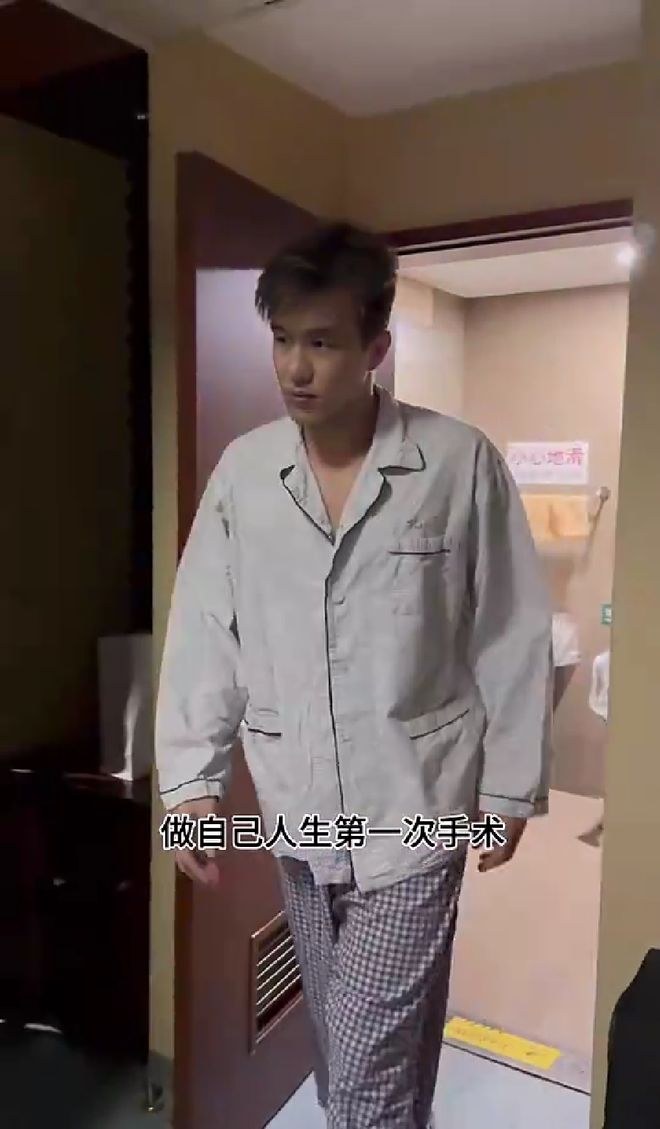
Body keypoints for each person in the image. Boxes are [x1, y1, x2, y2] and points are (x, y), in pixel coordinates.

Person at [155, 222, 553, 1129]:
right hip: (300, 809)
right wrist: (191, 781)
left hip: (418, 808)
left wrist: (509, 787)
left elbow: (511, 630)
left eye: (324, 342)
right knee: (353, 1052)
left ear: (376, 348)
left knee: (365, 1055)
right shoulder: (245, 474)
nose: (296, 368)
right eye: (283, 339)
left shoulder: (456, 462)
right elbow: (206, 630)